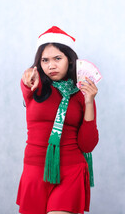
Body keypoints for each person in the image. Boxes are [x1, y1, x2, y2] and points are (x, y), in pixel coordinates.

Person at [16, 26, 99, 214]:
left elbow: (87, 145)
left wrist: (89, 102)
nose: (51, 65)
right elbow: (26, 81)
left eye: (57, 58)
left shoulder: (81, 94)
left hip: (70, 171)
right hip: (34, 172)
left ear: (70, 60)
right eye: (45, 60)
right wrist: (27, 79)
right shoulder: (35, 87)